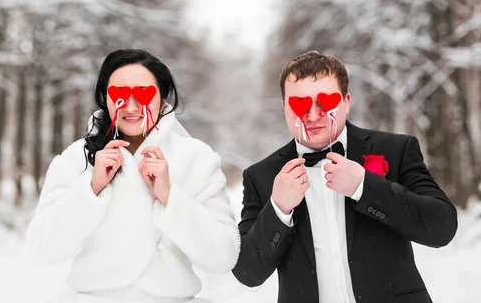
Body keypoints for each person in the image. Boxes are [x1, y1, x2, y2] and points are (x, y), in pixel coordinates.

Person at [232, 51, 458, 303]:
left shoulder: (395, 150)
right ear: (285, 106)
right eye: (300, 103)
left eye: (324, 102)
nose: (313, 115)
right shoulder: (262, 177)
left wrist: (365, 186)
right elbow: (247, 272)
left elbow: (442, 228)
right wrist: (279, 209)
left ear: (346, 101)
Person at [26, 49, 240, 303]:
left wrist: (170, 198)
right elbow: (43, 249)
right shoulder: (76, 158)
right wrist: (91, 189)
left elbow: (223, 256)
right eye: (119, 94)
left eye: (143, 94)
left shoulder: (197, 159)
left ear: (162, 99)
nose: (130, 106)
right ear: (105, 98)